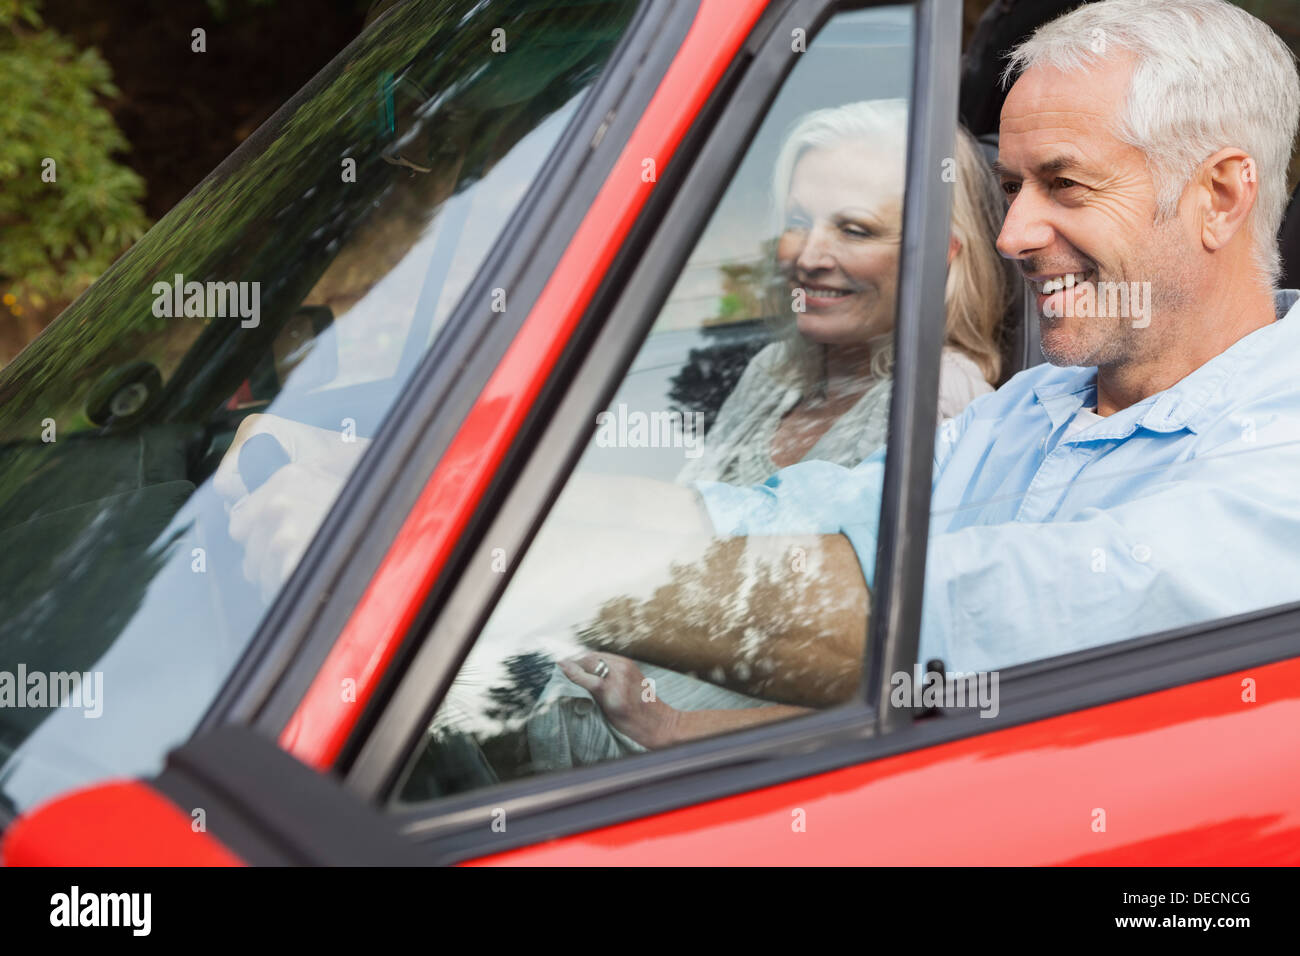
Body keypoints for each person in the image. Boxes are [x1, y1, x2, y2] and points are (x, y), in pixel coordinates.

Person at [218, 0, 1300, 765]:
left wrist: (452, 559)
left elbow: (945, 614)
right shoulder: (1031, 409)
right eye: (1011, 184)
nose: (1013, 229)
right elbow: (767, 516)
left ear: (1218, 195)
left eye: (1063, 184)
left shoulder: (1278, 459)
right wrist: (402, 486)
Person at [678, 100, 1010, 486]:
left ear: (938, 253)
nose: (808, 256)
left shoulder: (938, 400)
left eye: (854, 229)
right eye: (798, 222)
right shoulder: (774, 368)